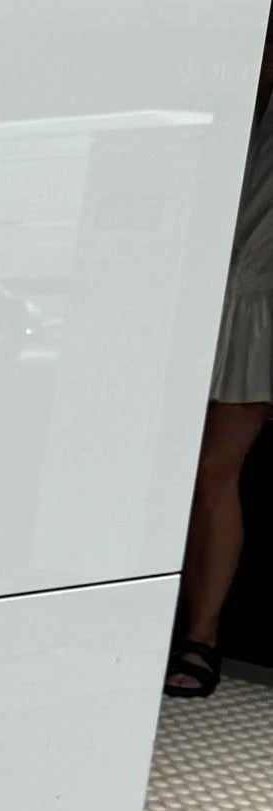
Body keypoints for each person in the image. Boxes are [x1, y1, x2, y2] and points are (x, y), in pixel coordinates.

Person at [166, 37, 273, 696]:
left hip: (255, 303)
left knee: (212, 470)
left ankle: (201, 636)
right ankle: (166, 624)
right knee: (171, 471)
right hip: (191, 290)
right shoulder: (223, 82)